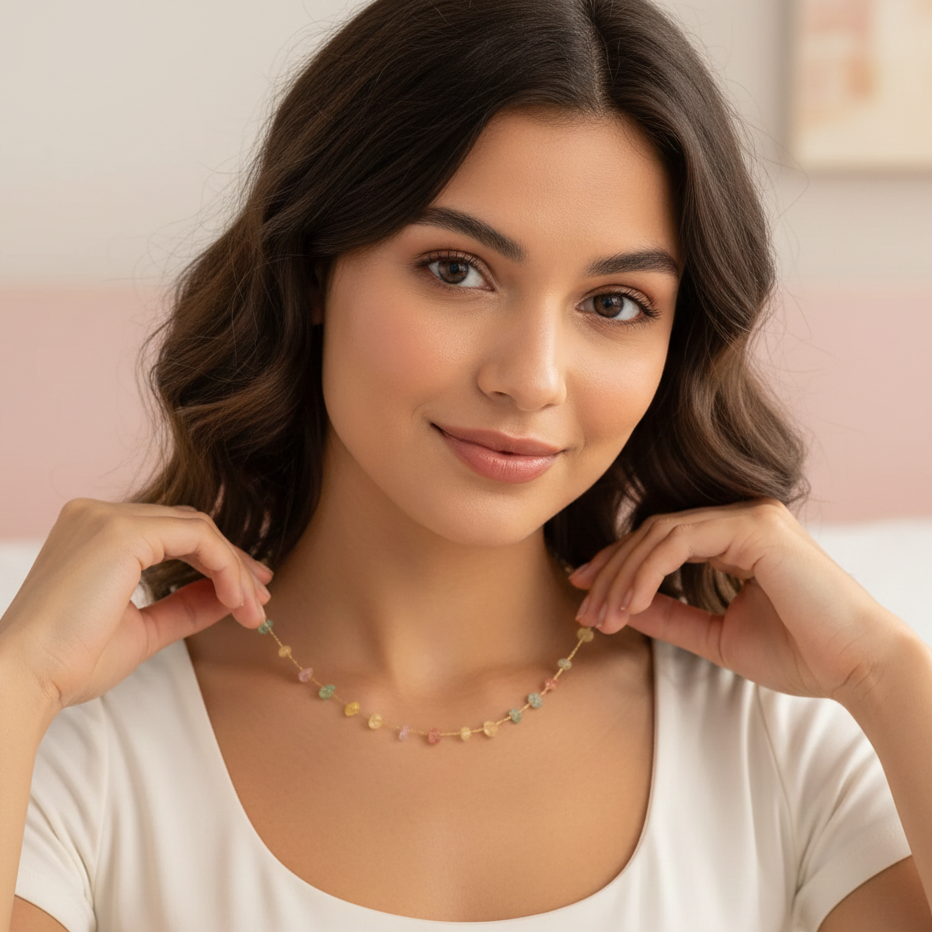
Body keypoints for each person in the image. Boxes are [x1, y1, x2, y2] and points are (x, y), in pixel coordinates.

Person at [2, 0, 932, 928]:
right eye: (456, 270)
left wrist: (885, 670)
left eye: (614, 302)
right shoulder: (77, 737)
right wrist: (17, 677)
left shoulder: (781, 737)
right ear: (315, 267)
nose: (531, 379)